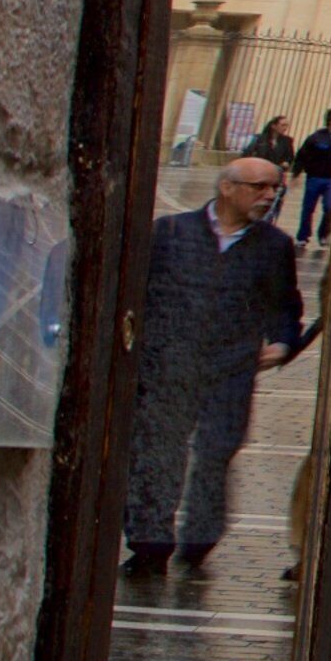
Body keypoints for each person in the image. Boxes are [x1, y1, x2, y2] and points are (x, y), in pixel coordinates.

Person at [125, 157, 306, 578]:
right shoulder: (170, 232)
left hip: (231, 371)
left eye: (274, 188)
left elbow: (285, 305)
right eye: (259, 186)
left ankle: (200, 540)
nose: (269, 195)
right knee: (157, 453)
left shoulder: (274, 246)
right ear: (227, 187)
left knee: (216, 454)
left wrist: (282, 342)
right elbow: (138, 292)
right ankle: (149, 545)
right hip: (169, 368)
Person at [291, 109, 331, 240]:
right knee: (308, 208)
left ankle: (323, 234)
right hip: (315, 178)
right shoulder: (316, 137)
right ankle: (303, 236)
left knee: (330, 207)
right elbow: (303, 155)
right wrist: (296, 172)